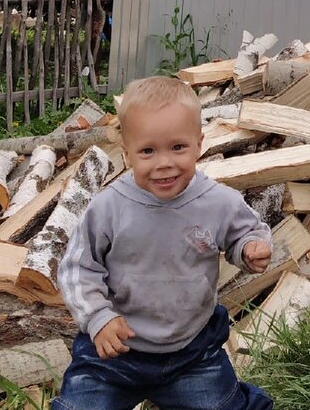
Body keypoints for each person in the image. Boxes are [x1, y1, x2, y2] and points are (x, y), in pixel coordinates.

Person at [54, 75, 275, 410]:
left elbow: (245, 230)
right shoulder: (109, 207)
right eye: (147, 151)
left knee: (220, 406)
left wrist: (249, 247)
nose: (164, 163)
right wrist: (98, 317)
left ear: (199, 144)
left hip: (191, 351)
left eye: (178, 147)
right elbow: (77, 269)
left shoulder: (218, 202)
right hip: (115, 350)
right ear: (127, 154)